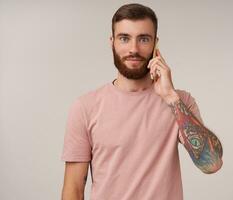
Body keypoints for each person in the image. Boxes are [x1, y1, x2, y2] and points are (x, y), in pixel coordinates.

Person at [61, 3, 223, 200]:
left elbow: (212, 163)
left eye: (144, 39)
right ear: (112, 42)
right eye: (124, 38)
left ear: (156, 44)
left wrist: (170, 97)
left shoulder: (181, 102)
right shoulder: (85, 108)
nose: (134, 49)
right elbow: (73, 190)